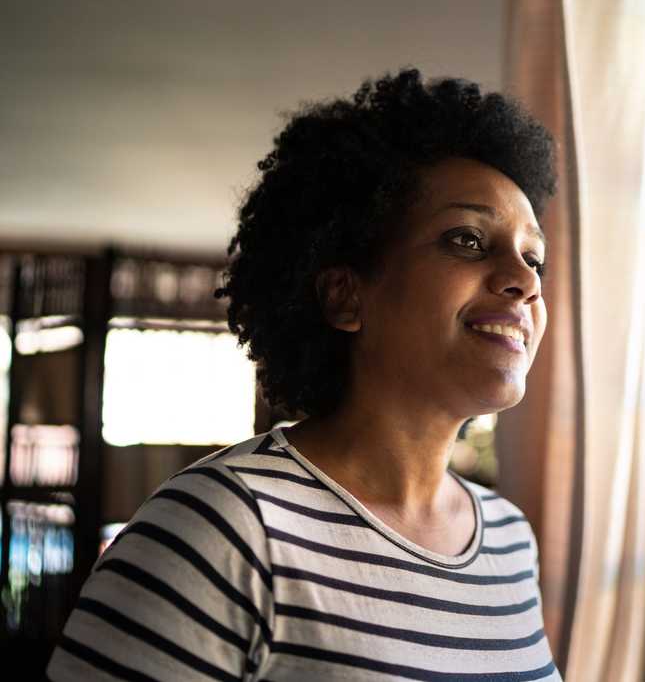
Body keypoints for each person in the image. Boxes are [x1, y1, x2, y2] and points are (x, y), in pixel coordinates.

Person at [48, 69, 562, 680]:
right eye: (467, 240)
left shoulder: (509, 539)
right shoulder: (221, 528)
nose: (526, 281)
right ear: (345, 297)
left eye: (535, 258)